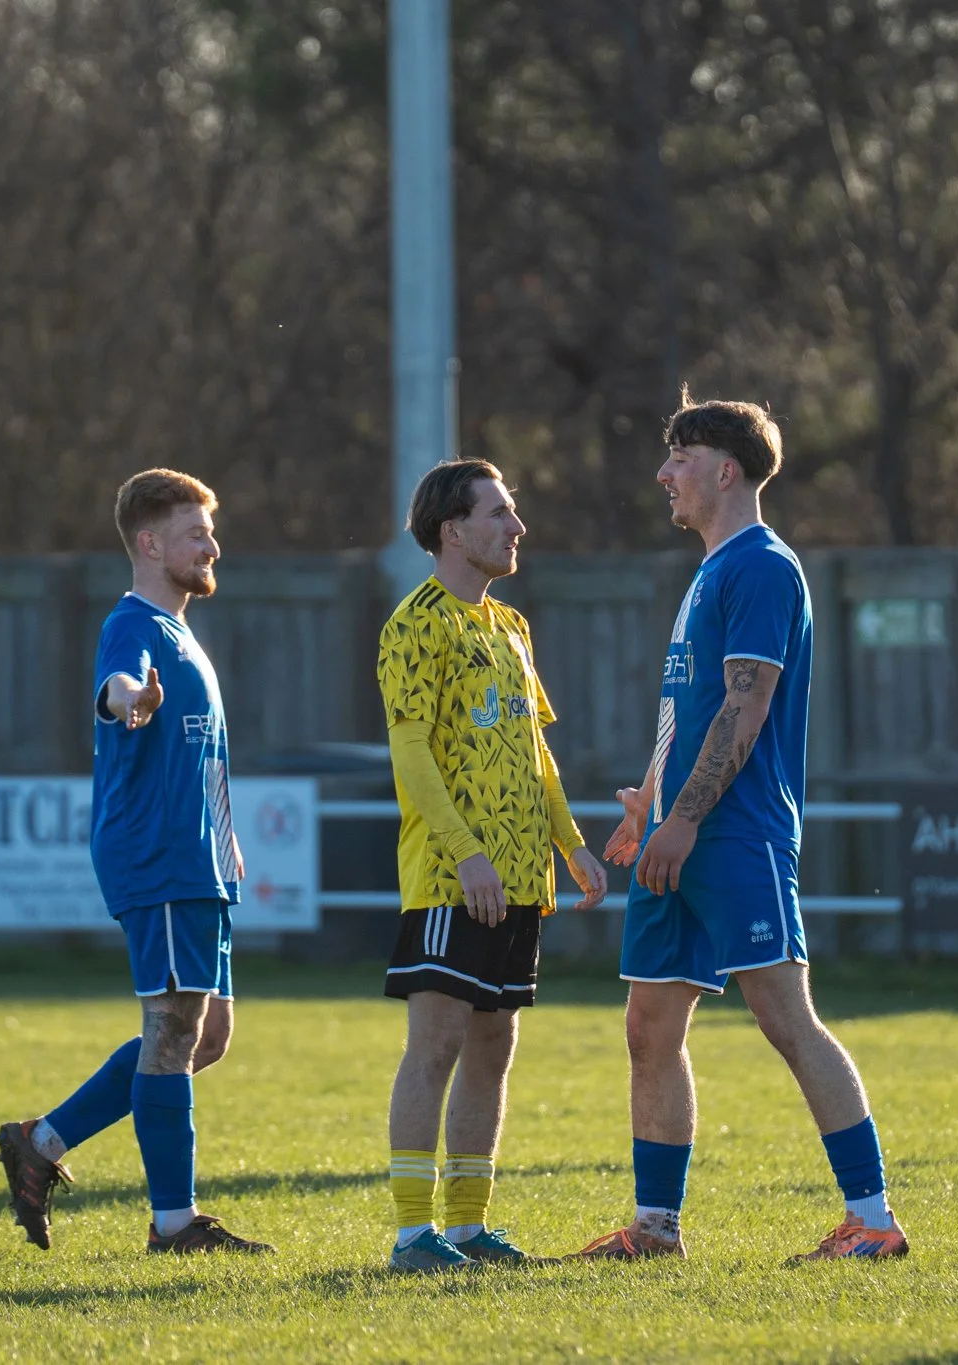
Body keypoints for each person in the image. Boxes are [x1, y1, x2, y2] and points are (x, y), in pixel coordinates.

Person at [574, 391, 907, 1263]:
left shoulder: (761, 566)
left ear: (726, 471)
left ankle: (873, 1219)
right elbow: (691, 710)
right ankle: (655, 1228)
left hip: (734, 832)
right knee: (649, 1025)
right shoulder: (711, 570)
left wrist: (684, 819)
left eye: (679, 457)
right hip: (677, 834)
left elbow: (745, 708)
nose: (664, 473)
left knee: (786, 1017)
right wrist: (651, 801)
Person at [0, 468, 271, 1255]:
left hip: (200, 862)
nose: (211, 547)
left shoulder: (183, 634)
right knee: (173, 1027)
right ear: (149, 544)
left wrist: (227, 845)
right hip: (158, 855)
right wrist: (129, 700)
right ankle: (175, 1222)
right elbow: (118, 685)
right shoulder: (134, 623)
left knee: (204, 1036)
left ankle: (41, 1142)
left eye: (210, 532)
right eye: (195, 534)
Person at [376, 458, 609, 1273]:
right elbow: (410, 752)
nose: (517, 527)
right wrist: (466, 851)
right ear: (453, 530)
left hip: (519, 878)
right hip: (453, 878)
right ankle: (414, 1234)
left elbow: (533, 747)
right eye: (500, 513)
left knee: (493, 1045)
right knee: (436, 1043)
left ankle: (469, 1226)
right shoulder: (415, 623)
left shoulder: (511, 626)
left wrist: (570, 843)